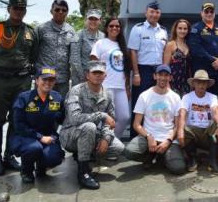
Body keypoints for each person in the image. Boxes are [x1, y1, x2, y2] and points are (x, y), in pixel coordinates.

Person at [0, 0, 38, 176]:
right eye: (16, 8)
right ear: (9, 8)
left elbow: (34, 58)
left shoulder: (31, 32)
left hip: (22, 82)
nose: (19, 11)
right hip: (0, 82)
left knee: (16, 120)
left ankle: (9, 156)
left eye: (22, 8)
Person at [60, 60, 126, 190]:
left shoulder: (108, 94)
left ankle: (84, 153)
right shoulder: (76, 91)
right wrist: (101, 115)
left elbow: (111, 120)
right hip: (70, 134)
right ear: (87, 75)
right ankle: (83, 172)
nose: (97, 75)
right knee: (89, 126)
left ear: (105, 76)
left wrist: (106, 138)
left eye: (100, 73)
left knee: (118, 148)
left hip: (91, 133)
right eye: (94, 72)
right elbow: (74, 118)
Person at [125, 65, 186, 175]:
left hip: (168, 138)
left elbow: (177, 126)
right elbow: (136, 124)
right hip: (149, 136)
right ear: (155, 76)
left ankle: (161, 157)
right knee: (129, 151)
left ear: (170, 78)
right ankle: (149, 156)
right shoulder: (144, 95)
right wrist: (148, 136)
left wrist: (168, 141)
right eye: (160, 75)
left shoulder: (176, 97)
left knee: (178, 168)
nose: (163, 78)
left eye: (166, 75)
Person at [9, 67, 65, 183]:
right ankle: (26, 171)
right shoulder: (24, 98)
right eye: (44, 79)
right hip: (25, 136)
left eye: (51, 80)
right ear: (36, 80)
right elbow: (18, 125)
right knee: (34, 148)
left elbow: (63, 119)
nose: (47, 83)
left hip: (48, 136)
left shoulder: (57, 98)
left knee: (55, 157)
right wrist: (40, 137)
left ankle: (41, 167)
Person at [128, 1, 168, 137]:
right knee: (139, 103)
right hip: (143, 70)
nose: (154, 14)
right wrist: (136, 74)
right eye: (151, 11)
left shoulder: (163, 31)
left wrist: (163, 74)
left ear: (160, 14)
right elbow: (133, 52)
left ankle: (153, 134)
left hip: (158, 71)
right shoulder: (138, 29)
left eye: (157, 12)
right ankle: (135, 137)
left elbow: (164, 54)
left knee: (156, 103)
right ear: (146, 13)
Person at [177, 70, 218, 174]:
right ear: (194, 83)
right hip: (193, 132)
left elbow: (215, 111)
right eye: (198, 82)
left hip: (207, 133)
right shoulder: (187, 97)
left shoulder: (212, 97)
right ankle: (192, 158)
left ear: (207, 85)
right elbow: (182, 113)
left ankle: (213, 162)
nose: (201, 85)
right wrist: (180, 130)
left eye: (204, 83)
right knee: (183, 128)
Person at [91, 18, 131, 140]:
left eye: (117, 26)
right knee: (104, 119)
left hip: (120, 87)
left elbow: (126, 69)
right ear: (107, 28)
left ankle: (112, 142)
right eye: (111, 26)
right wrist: (95, 83)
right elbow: (93, 62)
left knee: (124, 117)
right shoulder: (101, 43)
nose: (114, 28)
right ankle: (98, 144)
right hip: (105, 86)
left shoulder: (122, 45)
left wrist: (127, 87)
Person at [36, 0, 77, 97]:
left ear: (67, 12)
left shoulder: (71, 31)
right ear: (51, 11)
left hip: (62, 79)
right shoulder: (41, 29)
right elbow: (33, 51)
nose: (60, 12)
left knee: (60, 108)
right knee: (40, 107)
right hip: (44, 78)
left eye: (64, 10)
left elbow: (73, 55)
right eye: (57, 9)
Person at [188, 2, 218, 96]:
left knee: (217, 98)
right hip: (201, 72)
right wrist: (213, 60)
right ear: (201, 13)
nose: (209, 14)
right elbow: (196, 49)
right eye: (206, 11)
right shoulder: (195, 29)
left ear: (214, 13)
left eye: (211, 11)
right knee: (200, 100)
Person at [70, 9, 104, 86]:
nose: (93, 21)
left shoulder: (103, 36)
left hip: (97, 78)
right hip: (80, 78)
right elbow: (75, 60)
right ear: (86, 20)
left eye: (96, 19)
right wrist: (85, 76)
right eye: (90, 19)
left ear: (100, 21)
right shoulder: (79, 34)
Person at [163, 19, 192, 96]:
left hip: (186, 83)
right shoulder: (170, 45)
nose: (182, 31)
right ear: (175, 29)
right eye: (180, 28)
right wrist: (167, 84)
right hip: (173, 82)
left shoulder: (189, 45)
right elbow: (165, 66)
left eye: (185, 29)